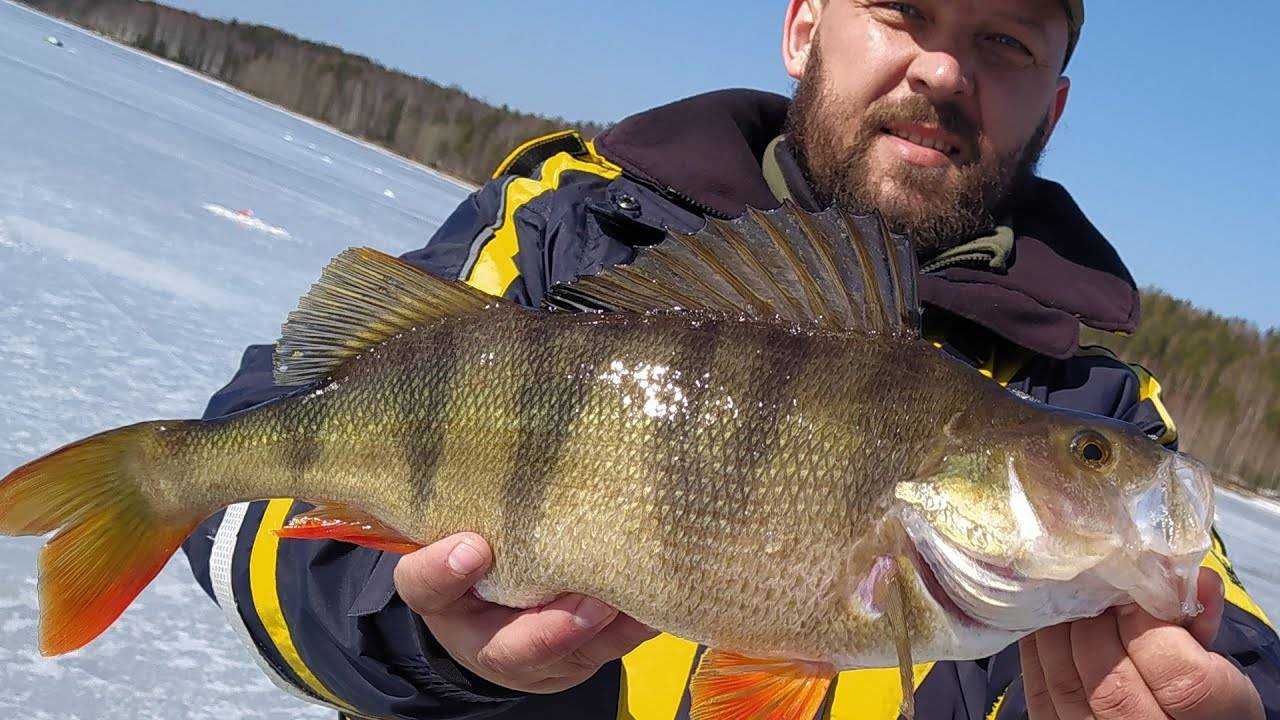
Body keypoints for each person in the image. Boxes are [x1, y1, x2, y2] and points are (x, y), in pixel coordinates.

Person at [182, 1, 1280, 718]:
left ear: (1055, 104)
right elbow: (239, 488)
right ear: (804, 26)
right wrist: (422, 641)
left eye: (1007, 41)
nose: (943, 67)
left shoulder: (1092, 397)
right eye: (901, 9)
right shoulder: (566, 231)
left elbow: (1243, 656)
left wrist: (1216, 702)